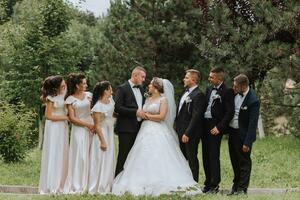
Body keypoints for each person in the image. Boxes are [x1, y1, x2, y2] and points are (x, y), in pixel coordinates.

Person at [112, 77, 201, 196]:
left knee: (159, 153)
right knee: (141, 154)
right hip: (144, 130)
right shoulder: (147, 98)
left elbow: (161, 117)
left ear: (156, 87)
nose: (148, 86)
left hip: (158, 129)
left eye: (150, 84)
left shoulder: (163, 100)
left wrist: (146, 116)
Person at [202, 67, 235, 193]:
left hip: (215, 126)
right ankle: (207, 183)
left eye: (212, 77)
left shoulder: (227, 92)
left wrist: (219, 127)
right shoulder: (209, 89)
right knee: (205, 155)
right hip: (205, 124)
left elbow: (229, 112)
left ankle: (214, 185)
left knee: (213, 156)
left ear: (220, 78)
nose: (209, 79)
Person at [227, 74, 260, 195]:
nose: (233, 88)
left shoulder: (253, 100)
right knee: (234, 161)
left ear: (244, 86)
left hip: (244, 135)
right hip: (233, 133)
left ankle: (242, 189)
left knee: (244, 163)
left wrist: (248, 142)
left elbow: (253, 124)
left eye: (236, 86)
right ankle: (235, 187)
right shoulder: (235, 94)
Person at [63, 73, 94, 194]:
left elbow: (93, 111)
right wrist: (87, 125)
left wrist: (94, 125)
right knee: (80, 157)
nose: (86, 85)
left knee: (90, 155)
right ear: (77, 85)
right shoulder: (70, 99)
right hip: (79, 130)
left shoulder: (89, 96)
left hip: (91, 128)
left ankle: (90, 183)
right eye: (84, 83)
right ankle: (77, 184)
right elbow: (72, 119)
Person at [39, 75, 69, 194]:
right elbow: (48, 116)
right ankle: (52, 184)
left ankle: (62, 183)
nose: (64, 83)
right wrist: (66, 117)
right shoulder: (51, 98)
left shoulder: (65, 94)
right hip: (54, 127)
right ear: (57, 85)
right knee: (55, 153)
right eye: (62, 82)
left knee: (62, 153)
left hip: (63, 127)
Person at [114, 66, 146, 176]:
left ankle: (130, 179)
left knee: (135, 156)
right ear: (135, 75)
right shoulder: (122, 88)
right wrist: (135, 112)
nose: (143, 79)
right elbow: (117, 107)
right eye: (142, 77)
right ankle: (117, 179)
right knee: (123, 155)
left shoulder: (141, 89)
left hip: (139, 128)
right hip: (126, 128)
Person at [175, 69, 206, 182]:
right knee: (182, 159)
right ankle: (184, 182)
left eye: (186, 77)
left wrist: (187, 133)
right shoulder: (185, 92)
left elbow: (196, 117)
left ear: (193, 80)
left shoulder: (199, 95)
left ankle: (193, 183)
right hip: (180, 131)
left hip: (190, 133)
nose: (184, 79)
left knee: (192, 158)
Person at [88, 81, 116, 194]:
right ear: (105, 91)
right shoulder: (97, 106)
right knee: (100, 159)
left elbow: (111, 114)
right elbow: (97, 126)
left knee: (109, 159)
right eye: (110, 89)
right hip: (102, 134)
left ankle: (107, 184)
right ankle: (98, 186)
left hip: (109, 132)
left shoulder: (111, 101)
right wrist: (103, 141)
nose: (112, 91)